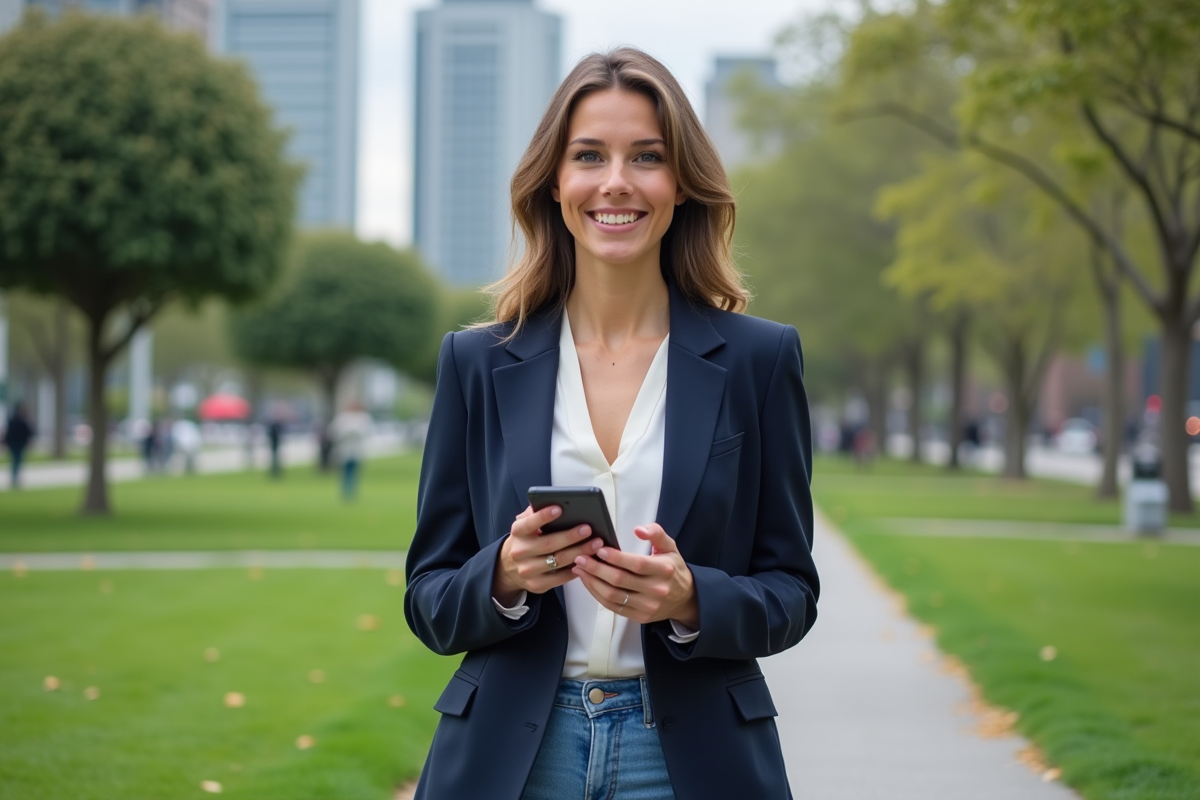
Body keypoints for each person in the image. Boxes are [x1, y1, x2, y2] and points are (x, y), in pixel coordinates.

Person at [403, 48, 819, 800]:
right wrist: (502, 576)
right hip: (513, 759)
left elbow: (791, 591)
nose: (617, 181)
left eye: (648, 157)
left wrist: (693, 601)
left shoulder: (761, 359)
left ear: (682, 184)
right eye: (589, 155)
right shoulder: (475, 363)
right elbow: (428, 597)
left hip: (692, 760)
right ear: (554, 183)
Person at [328, 402, 371, 500]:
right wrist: (346, 433)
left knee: (354, 471)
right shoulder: (343, 418)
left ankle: (352, 491)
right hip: (344, 448)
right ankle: (345, 491)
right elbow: (334, 431)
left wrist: (355, 432)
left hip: (356, 449)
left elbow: (367, 431)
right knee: (345, 472)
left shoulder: (363, 418)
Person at [3, 402, 36, 489]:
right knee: (17, 461)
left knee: (16, 461)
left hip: (17, 444)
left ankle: (15, 478)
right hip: (17, 444)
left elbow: (27, 433)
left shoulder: (14, 420)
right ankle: (15, 478)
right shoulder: (22, 420)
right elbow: (28, 433)